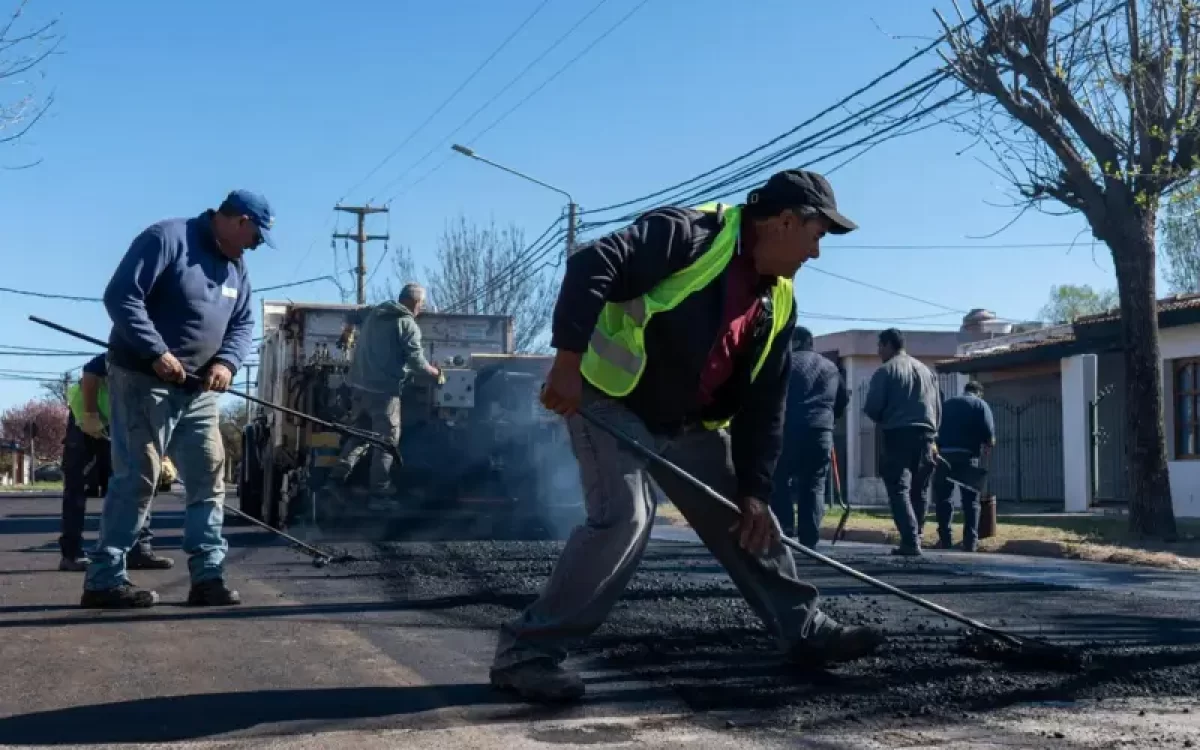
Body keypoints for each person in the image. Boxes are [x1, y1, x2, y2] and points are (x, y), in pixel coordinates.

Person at [490, 169, 885, 704]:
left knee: (746, 519)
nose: (815, 253)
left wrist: (755, 490)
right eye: (817, 236)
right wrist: (567, 362)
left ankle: (805, 629)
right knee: (625, 517)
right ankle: (527, 653)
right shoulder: (691, 235)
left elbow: (765, 403)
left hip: (687, 423)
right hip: (610, 400)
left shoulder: (781, 301)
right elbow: (591, 262)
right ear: (785, 222)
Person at [82, 190, 267, 609]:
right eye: (256, 236)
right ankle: (104, 579)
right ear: (239, 221)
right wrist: (156, 352)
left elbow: (242, 324)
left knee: (208, 478)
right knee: (139, 478)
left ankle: (207, 578)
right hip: (142, 379)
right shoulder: (167, 238)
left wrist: (227, 363)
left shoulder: (237, 265)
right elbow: (121, 296)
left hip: (199, 391)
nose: (256, 246)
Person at [58, 354, 172, 572]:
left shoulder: (172, 370)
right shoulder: (133, 349)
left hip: (124, 421)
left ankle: (140, 550)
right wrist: (91, 414)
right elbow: (90, 371)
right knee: (77, 487)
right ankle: (71, 554)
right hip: (88, 418)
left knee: (140, 482)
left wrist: (165, 453)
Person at [333, 282, 442, 502]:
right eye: (421, 303)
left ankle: (336, 479)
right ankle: (380, 490)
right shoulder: (407, 324)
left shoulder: (375, 312)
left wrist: (347, 332)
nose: (421, 308)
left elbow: (351, 315)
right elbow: (417, 363)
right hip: (384, 394)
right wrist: (436, 373)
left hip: (359, 388)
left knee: (360, 437)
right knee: (385, 441)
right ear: (415, 302)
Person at [863, 328, 942, 556]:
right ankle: (916, 535)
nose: (878, 351)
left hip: (898, 435)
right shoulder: (927, 372)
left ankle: (909, 538)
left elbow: (873, 408)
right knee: (920, 488)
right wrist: (934, 436)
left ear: (888, 345)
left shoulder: (886, 371)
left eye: (880, 346)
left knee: (899, 488)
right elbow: (938, 408)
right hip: (927, 436)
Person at [771, 326, 848, 547]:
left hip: (788, 430)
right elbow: (842, 402)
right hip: (820, 433)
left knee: (778, 478)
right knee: (813, 484)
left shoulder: (785, 362)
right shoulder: (831, 367)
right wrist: (828, 422)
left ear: (796, 342)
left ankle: (784, 529)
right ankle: (809, 539)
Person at [933, 381, 995, 551]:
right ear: (979, 392)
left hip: (944, 455)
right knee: (971, 501)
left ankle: (945, 539)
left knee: (944, 498)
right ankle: (970, 542)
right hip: (968, 456)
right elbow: (990, 436)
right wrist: (988, 445)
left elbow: (935, 428)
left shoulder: (947, 405)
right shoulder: (980, 404)